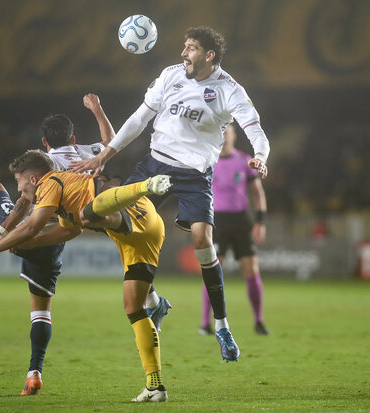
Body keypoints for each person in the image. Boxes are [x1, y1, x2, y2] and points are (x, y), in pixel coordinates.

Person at [0, 95, 172, 395]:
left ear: (43, 145)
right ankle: (152, 371)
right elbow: (111, 143)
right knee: (95, 229)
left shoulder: (47, 175)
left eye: (21, 182)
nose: (20, 187)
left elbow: (25, 210)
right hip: (137, 226)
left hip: (57, 225)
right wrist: (98, 110)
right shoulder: (86, 154)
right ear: (73, 139)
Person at [71, 26, 271, 362]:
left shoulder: (229, 90)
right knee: (117, 224)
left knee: (203, 242)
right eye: (184, 46)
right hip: (155, 165)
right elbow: (139, 119)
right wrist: (106, 154)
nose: (183, 53)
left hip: (195, 174)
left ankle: (221, 326)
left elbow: (256, 131)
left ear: (209, 55)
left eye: (190, 48)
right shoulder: (170, 75)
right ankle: (153, 301)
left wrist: (261, 156)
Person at [199, 122, 270, 337]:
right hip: (216, 221)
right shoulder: (207, 160)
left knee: (252, 270)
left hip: (241, 221)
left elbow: (257, 192)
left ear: (234, 136)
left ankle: (259, 321)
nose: (223, 137)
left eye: (227, 132)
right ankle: (205, 323)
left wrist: (260, 221)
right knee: (213, 270)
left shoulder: (244, 161)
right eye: (220, 132)